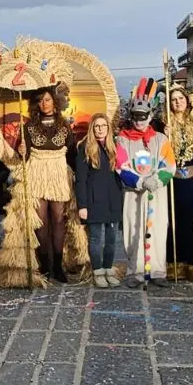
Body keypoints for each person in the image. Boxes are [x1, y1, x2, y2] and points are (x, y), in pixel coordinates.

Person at [115, 82, 175, 288]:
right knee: (133, 228)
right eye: (136, 116)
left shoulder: (161, 139)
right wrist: (140, 181)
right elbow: (120, 166)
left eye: (143, 116)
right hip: (134, 193)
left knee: (158, 228)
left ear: (150, 116)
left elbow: (170, 165)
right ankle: (136, 270)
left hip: (156, 193)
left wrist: (156, 181)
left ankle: (157, 270)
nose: (140, 121)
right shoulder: (122, 140)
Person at [18, 87, 77, 282]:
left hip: (58, 173)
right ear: (37, 104)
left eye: (48, 100)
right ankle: (45, 265)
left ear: (55, 102)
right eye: (41, 101)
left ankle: (58, 266)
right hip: (37, 173)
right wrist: (21, 149)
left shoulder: (64, 125)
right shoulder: (28, 126)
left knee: (59, 218)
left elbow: (71, 151)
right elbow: (23, 155)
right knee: (41, 221)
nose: (45, 104)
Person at [163, 85, 193, 280]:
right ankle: (176, 265)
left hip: (192, 181)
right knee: (174, 222)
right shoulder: (164, 124)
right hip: (173, 181)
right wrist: (164, 137)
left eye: (180, 98)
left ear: (187, 100)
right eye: (173, 99)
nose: (177, 102)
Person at [76, 113, 124, 288]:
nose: (100, 129)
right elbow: (80, 180)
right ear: (92, 128)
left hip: (113, 200)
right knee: (96, 239)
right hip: (94, 200)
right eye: (96, 126)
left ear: (108, 127)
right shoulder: (85, 148)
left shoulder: (116, 147)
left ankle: (108, 268)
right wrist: (82, 205)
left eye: (103, 125)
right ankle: (97, 271)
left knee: (111, 239)